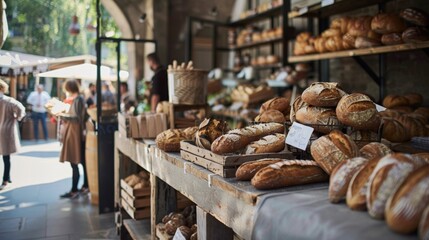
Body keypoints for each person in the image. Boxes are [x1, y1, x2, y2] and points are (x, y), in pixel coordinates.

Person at [59, 79, 89, 199]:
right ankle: (84, 186)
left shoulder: (78, 100)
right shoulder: (78, 99)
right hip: (75, 134)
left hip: (75, 135)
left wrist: (63, 116)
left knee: (75, 162)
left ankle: (75, 189)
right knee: (80, 161)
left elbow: (77, 119)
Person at [0, 79, 25, 189]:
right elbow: (21, 109)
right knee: (6, 157)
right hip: (6, 131)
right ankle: (6, 179)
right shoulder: (9, 101)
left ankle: (6, 179)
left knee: (5, 157)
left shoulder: (8, 101)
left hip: (4, 131)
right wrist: (17, 118)